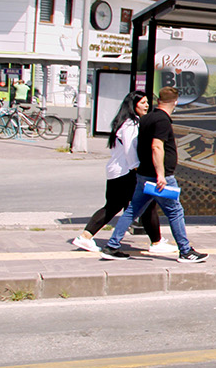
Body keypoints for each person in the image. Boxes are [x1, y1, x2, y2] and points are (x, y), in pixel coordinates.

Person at [99, 87, 207, 263]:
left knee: (133, 210)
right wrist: (161, 175)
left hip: (143, 175)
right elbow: (156, 147)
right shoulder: (162, 121)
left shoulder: (147, 118)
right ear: (176, 102)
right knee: (175, 211)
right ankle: (186, 251)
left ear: (158, 101)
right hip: (159, 177)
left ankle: (112, 246)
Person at [72, 91, 168, 255]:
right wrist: (138, 169)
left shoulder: (127, 122)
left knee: (119, 206)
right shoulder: (130, 124)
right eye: (143, 102)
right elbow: (130, 149)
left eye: (147, 102)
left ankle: (86, 236)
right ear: (134, 104)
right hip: (126, 172)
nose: (147, 105)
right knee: (145, 206)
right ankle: (156, 242)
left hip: (119, 171)